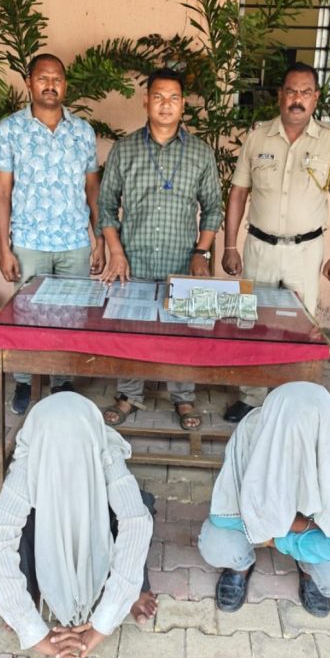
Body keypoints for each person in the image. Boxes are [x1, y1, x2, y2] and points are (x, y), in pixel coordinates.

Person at [0, 393, 157, 658]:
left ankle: (134, 589)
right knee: (18, 521)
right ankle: (29, 593)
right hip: (48, 524)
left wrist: (104, 622)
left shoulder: (105, 449)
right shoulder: (30, 460)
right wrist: (32, 630)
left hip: (97, 518)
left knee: (140, 506)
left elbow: (134, 522)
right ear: (42, 441)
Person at [222, 62, 330, 423]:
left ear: (316, 97)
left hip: (305, 252)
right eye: (292, 91)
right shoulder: (257, 137)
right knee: (252, 321)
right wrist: (230, 246)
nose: (298, 99)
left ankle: (295, 397)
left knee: (301, 326)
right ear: (280, 95)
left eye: (305, 92)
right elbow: (238, 193)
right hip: (260, 248)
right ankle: (251, 396)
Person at [97, 68, 222, 431]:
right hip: (133, 259)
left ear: (183, 105)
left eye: (173, 98)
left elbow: (213, 208)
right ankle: (129, 394)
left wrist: (201, 253)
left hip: (180, 261)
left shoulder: (200, 153)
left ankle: (182, 397)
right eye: (158, 97)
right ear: (145, 101)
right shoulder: (125, 149)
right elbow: (106, 206)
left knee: (182, 330)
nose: (165, 105)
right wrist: (115, 252)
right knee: (130, 328)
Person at [0, 53, 103, 416]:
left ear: (65, 85)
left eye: (57, 79)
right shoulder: (10, 129)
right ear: (29, 82)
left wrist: (98, 239)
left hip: (74, 242)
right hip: (29, 243)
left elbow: (93, 188)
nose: (50, 85)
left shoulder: (82, 131)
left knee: (72, 315)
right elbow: (1, 192)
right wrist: (3, 248)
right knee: (26, 316)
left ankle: (62, 380)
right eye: (43, 78)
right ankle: (25, 380)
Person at [199, 382, 330, 617]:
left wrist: (275, 538)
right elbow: (224, 517)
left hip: (274, 527)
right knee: (217, 547)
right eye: (287, 429)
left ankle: (308, 567)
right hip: (306, 530)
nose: (297, 439)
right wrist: (307, 524)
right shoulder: (253, 432)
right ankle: (241, 566)